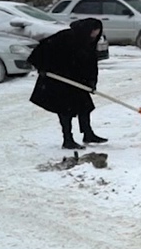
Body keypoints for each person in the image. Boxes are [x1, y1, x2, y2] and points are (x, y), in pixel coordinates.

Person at [28, 18, 107, 150]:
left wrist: (92, 82)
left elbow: (91, 64)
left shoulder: (89, 41)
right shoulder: (66, 37)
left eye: (97, 33)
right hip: (58, 79)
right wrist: (43, 67)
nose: (94, 35)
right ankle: (67, 139)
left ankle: (88, 134)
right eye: (93, 32)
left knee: (85, 107)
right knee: (65, 110)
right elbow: (41, 50)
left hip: (77, 81)